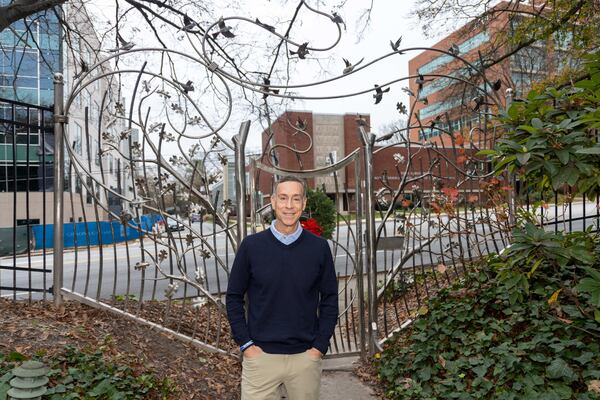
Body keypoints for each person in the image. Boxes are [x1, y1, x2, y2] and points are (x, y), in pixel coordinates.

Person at [226, 176, 339, 400]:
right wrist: (246, 345)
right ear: (273, 201)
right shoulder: (251, 247)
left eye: (296, 199)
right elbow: (234, 297)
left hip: (305, 358)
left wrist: (319, 348)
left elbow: (330, 299)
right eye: (283, 198)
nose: (289, 206)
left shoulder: (319, 248)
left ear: (304, 203)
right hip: (260, 357)